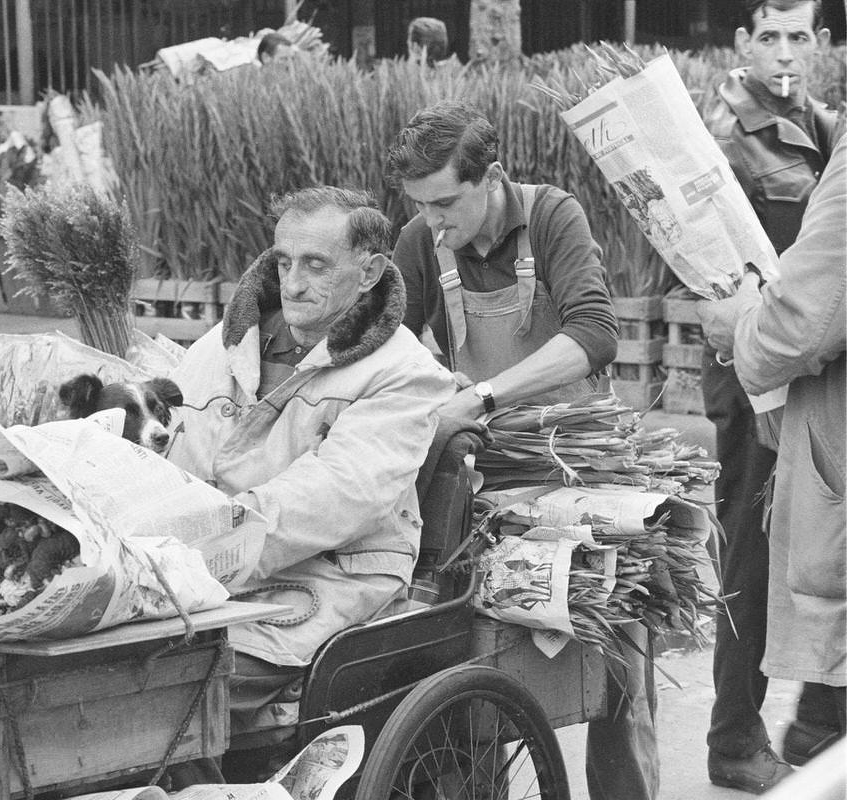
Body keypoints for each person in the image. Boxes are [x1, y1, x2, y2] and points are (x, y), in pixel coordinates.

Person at [386, 101, 656, 800]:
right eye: (420, 205)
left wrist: (482, 397)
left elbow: (595, 333)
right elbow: (391, 344)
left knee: (617, 654)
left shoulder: (552, 216)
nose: (433, 221)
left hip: (578, 463)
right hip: (490, 470)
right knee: (469, 654)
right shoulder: (423, 240)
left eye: (446, 202)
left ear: (493, 177)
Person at [167, 186, 453, 778]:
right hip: (203, 579)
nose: (293, 284)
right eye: (283, 262)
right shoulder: (219, 349)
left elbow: (336, 495)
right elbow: (170, 457)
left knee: (163, 690)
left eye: (316, 265)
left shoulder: (405, 373)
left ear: (370, 271)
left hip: (329, 581)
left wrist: (204, 546)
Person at [701, 1, 838, 790]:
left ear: (816, 44)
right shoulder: (720, 138)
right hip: (753, 362)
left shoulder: (828, 128)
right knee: (752, 549)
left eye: (799, 35)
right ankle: (732, 737)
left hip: (821, 364)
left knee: (829, 544)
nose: (785, 51)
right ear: (744, 43)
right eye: (770, 36)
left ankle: (819, 721)